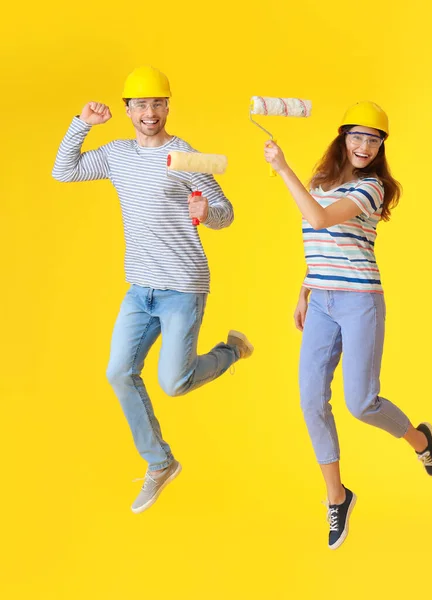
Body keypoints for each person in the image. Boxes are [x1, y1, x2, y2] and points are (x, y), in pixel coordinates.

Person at [52, 66, 253, 514]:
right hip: (139, 286)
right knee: (119, 372)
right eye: (141, 105)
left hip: (183, 284)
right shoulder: (117, 155)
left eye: (157, 104)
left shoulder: (184, 156)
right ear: (127, 110)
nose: (150, 113)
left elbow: (226, 211)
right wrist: (81, 123)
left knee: (174, 383)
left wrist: (206, 212)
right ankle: (159, 463)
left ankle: (233, 352)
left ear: (168, 107)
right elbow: (63, 171)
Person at [263, 101, 432, 550]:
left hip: (361, 301)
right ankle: (337, 497)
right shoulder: (320, 181)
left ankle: (419, 438)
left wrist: (282, 168)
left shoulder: (373, 187)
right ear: (342, 137)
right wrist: (305, 290)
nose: (364, 146)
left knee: (361, 403)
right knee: (310, 400)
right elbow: (319, 241)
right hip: (321, 300)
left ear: (381, 146)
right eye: (357, 136)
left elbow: (320, 219)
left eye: (374, 139)